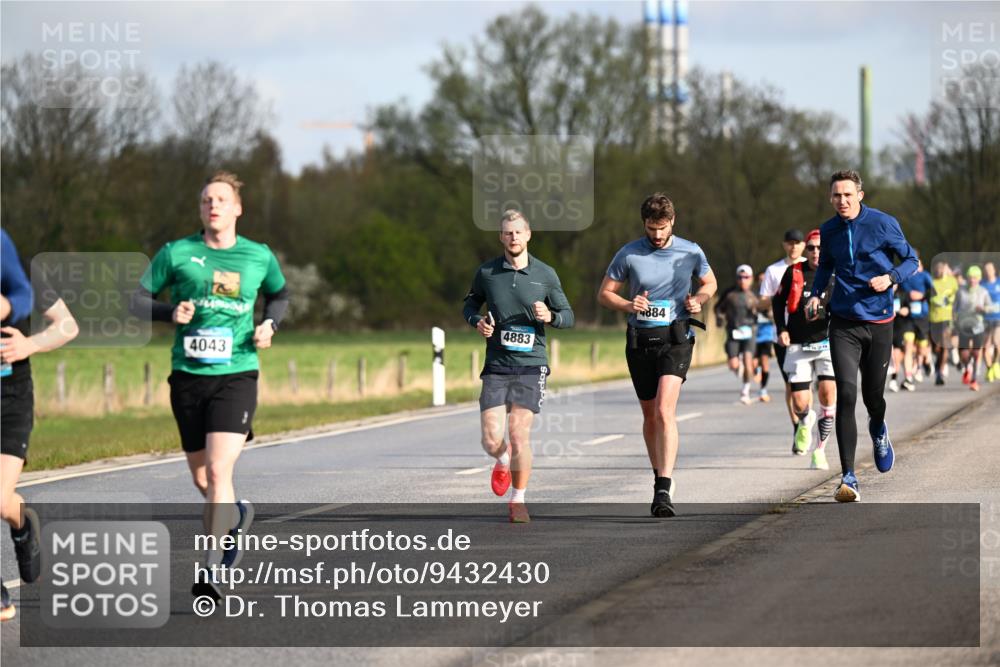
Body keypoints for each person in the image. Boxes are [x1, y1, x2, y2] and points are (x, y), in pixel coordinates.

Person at [132, 171, 289, 599]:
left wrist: (269, 324)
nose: (213, 206)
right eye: (206, 200)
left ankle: (211, 570)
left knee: (220, 471)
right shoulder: (177, 252)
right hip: (187, 376)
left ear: (238, 207)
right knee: (205, 482)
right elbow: (136, 299)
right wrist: (169, 313)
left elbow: (280, 294)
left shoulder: (258, 256)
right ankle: (235, 515)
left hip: (236, 374)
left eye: (221, 199)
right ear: (200, 209)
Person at [598, 193, 717, 517]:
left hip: (676, 339)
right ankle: (658, 473)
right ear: (644, 224)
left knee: (665, 410)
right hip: (640, 340)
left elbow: (710, 282)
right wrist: (628, 304)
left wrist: (699, 300)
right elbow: (605, 293)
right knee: (650, 416)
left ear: (672, 222)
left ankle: (663, 487)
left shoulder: (690, 251)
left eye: (662, 228)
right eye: (651, 229)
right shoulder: (629, 253)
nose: (657, 235)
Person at [805, 170, 918, 503]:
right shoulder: (828, 230)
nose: (842, 201)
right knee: (847, 395)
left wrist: (891, 277)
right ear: (830, 198)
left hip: (880, 320)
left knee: (873, 398)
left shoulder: (883, 223)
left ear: (860, 195)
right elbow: (825, 267)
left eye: (848, 195)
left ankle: (879, 427)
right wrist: (815, 294)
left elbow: (912, 259)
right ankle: (849, 477)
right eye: (836, 196)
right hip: (843, 322)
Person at [462, 210, 574, 524]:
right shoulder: (487, 273)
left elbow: (569, 315)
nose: (513, 238)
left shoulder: (545, 274)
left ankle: (519, 500)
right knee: (490, 438)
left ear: (528, 235)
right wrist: (478, 322)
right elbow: (470, 305)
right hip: (497, 365)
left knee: (518, 434)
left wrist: (550, 317)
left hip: (531, 364)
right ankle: (502, 459)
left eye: (518, 232)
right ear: (501, 237)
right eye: (507, 233)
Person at [2, 229, 79, 622]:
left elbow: (67, 325)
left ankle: (21, 522)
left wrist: (28, 345)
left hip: (8, 398)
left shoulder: (19, 270)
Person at [773, 228, 836, 467]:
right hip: (799, 342)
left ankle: (819, 450)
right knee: (800, 402)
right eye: (811, 248)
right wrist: (782, 329)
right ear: (805, 250)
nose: (816, 252)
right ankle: (804, 419)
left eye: (821, 248)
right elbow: (777, 302)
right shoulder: (793, 272)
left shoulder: (836, 272)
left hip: (827, 342)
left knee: (828, 394)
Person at [759, 229, 808, 449]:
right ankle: (797, 426)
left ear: (803, 245)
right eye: (790, 243)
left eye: (797, 243)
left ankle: (806, 421)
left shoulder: (812, 267)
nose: (793, 247)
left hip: (808, 332)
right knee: (791, 383)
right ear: (784, 245)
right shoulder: (774, 270)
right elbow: (763, 301)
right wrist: (777, 300)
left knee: (806, 384)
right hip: (782, 334)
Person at [713, 264, 759, 404]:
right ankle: (737, 363)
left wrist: (762, 312)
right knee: (733, 365)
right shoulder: (729, 293)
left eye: (746, 277)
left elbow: (767, 311)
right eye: (740, 277)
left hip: (750, 331)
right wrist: (720, 319)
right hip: (733, 331)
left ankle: (745, 390)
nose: (743, 280)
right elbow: (718, 308)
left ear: (751, 279)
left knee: (748, 361)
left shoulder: (755, 295)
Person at [954, 265, 993, 392]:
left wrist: (984, 309)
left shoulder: (983, 291)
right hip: (964, 325)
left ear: (979, 279)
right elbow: (955, 308)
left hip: (978, 325)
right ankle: (967, 366)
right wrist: (953, 322)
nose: (972, 280)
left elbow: (990, 306)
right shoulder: (961, 291)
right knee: (964, 354)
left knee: (976, 353)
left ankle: (974, 380)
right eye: (970, 278)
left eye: (975, 278)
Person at [899, 257, 933, 387]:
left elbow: (934, 292)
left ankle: (924, 361)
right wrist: (905, 301)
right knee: (908, 346)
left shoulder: (925, 276)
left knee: (922, 348)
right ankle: (908, 377)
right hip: (909, 318)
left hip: (922, 317)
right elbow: (898, 292)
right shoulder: (904, 278)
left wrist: (922, 296)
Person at [929, 260, 959, 386]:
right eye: (938, 270)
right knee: (936, 347)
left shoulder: (952, 281)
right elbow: (929, 297)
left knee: (944, 344)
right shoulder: (932, 282)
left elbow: (956, 295)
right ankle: (937, 365)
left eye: (942, 269)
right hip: (933, 318)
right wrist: (937, 301)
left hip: (946, 317)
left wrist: (950, 301)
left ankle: (940, 372)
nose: (940, 271)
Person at [753, 292, 777, 404]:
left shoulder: (771, 302)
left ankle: (763, 390)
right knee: (754, 363)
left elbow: (775, 317)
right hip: (754, 337)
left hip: (766, 337)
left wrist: (768, 313)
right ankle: (756, 371)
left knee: (765, 363)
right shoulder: (754, 301)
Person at [982, 262, 1000, 382]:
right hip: (985, 319)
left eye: (990, 269)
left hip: (998, 317)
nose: (988, 271)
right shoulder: (982, 284)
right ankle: (989, 368)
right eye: (986, 269)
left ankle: (995, 364)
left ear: (994, 270)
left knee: (996, 342)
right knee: (985, 347)